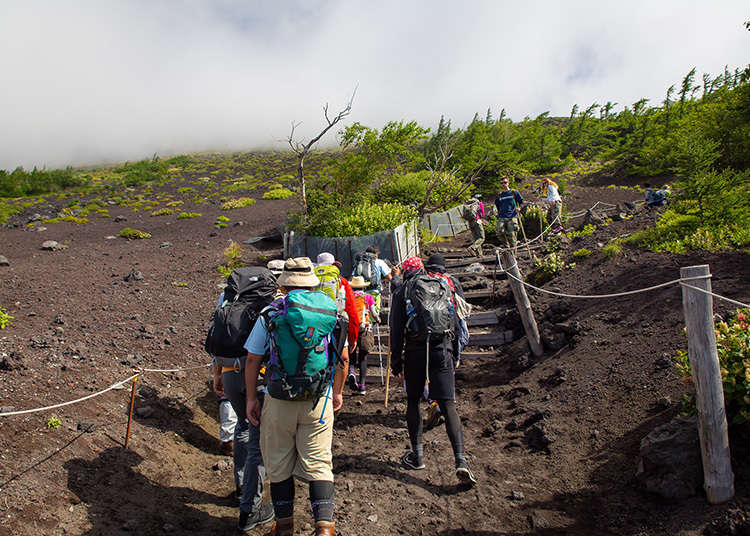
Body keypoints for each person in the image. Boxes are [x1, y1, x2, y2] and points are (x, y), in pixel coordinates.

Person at [244, 257, 349, 536]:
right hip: (318, 399)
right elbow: (344, 358)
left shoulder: (272, 311)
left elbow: (253, 358)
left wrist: (252, 399)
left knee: (278, 463)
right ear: (312, 282)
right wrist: (336, 392)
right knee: (319, 463)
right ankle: (324, 527)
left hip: (279, 398)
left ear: (284, 284)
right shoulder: (330, 311)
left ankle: (285, 526)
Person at [389, 255, 477, 486]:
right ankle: (461, 460)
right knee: (448, 405)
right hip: (442, 348)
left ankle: (417, 456)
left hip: (416, 351)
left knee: (413, 402)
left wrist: (396, 362)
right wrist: (454, 353)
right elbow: (455, 320)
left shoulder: (405, 289)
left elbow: (396, 328)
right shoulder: (443, 285)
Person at [211, 268, 278, 533]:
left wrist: (217, 373)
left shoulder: (228, 299)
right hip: (256, 378)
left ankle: (241, 487)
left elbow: (216, 336)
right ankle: (251, 508)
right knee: (257, 444)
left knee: (242, 427)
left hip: (228, 373)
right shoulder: (270, 305)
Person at [315, 252, 360, 351]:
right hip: (336, 325)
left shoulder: (311, 281)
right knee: (343, 359)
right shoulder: (341, 281)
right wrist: (353, 338)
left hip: (313, 326)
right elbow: (351, 310)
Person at [347, 275, 380, 395]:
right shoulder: (368, 297)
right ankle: (362, 386)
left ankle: (351, 371)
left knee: (351, 352)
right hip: (365, 327)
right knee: (363, 356)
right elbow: (373, 313)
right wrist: (377, 319)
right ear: (363, 287)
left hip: (351, 327)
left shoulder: (348, 296)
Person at [352, 245, 392, 315]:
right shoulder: (380, 262)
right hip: (374, 292)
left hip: (360, 293)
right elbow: (389, 277)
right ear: (376, 254)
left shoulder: (360, 262)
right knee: (374, 315)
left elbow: (354, 276)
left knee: (363, 314)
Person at [494, 176, 524, 250]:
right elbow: (497, 205)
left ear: (508, 183)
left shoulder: (514, 192)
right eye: (502, 183)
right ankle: (506, 246)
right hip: (502, 216)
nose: (503, 184)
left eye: (505, 182)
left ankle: (514, 253)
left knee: (512, 235)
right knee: (499, 232)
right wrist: (498, 213)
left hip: (512, 216)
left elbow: (522, 202)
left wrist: (519, 208)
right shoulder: (499, 195)